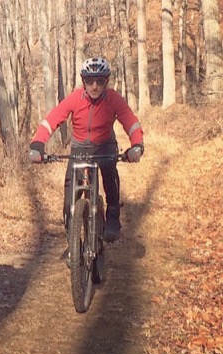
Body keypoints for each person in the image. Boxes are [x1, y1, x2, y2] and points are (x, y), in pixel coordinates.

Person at [28, 57, 145, 251]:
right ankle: (73, 243)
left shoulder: (113, 99)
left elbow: (130, 122)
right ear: (84, 81)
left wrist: (137, 146)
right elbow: (52, 119)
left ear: (106, 82)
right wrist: (38, 144)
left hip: (105, 146)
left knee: (109, 172)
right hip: (80, 148)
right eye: (90, 81)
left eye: (100, 81)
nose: (95, 86)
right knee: (70, 196)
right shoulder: (75, 98)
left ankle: (113, 214)